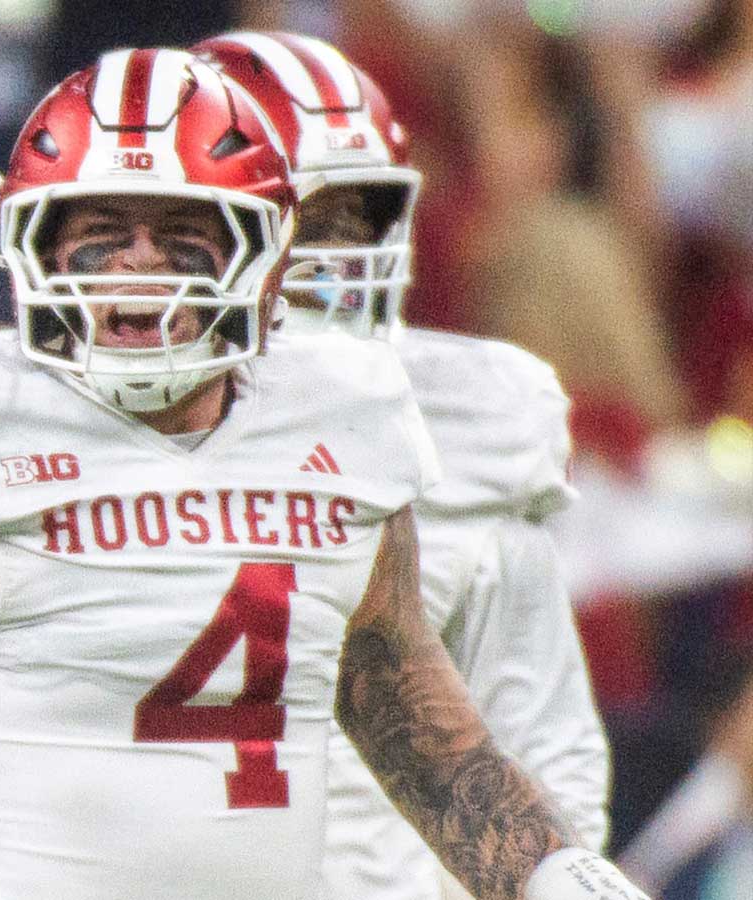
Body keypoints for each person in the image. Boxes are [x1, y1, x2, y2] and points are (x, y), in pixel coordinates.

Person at [0, 46, 645, 900]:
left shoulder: (342, 413)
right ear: (33, 246)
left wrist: (562, 875)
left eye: (184, 236)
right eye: (102, 236)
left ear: (263, 253)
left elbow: (431, 747)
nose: (141, 265)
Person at [191, 30, 613, 899]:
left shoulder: (470, 420)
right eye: (301, 221)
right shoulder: (58, 432)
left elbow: (539, 731)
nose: (335, 258)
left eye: (355, 218)